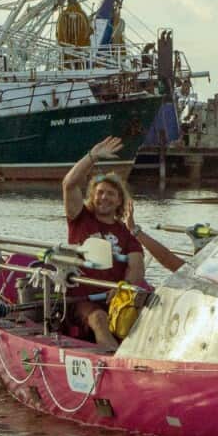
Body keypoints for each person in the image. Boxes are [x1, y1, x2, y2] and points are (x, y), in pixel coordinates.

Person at [62, 136, 145, 349]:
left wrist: (123, 287)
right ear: (92, 196)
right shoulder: (80, 219)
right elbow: (69, 184)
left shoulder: (126, 234)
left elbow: (136, 267)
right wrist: (92, 157)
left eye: (110, 194)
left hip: (116, 297)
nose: (104, 198)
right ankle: (111, 369)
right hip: (82, 301)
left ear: (119, 200)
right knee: (99, 319)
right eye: (99, 193)